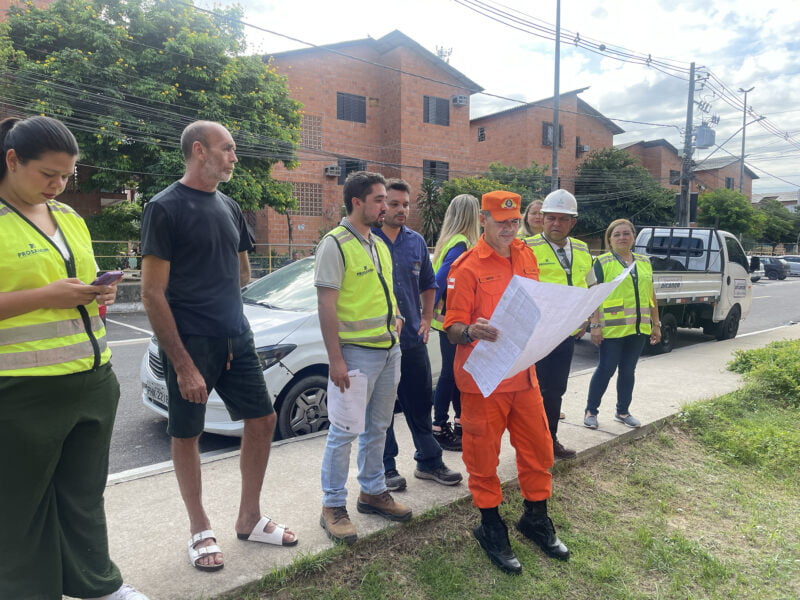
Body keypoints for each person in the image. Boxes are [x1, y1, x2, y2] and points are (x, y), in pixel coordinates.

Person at [0, 116, 148, 599]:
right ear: (12, 160)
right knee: (20, 506)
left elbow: (77, 290)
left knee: (83, 495)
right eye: (48, 174)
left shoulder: (69, 218)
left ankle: (96, 585)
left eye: (66, 176)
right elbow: (46, 296)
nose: (58, 185)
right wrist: (44, 295)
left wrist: (96, 293)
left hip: (92, 379)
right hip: (21, 389)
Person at [140, 121, 296, 573]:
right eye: (227, 149)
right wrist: (184, 364)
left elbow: (240, 272)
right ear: (199, 150)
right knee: (186, 432)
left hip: (236, 335)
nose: (234, 157)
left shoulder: (229, 206)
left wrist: (234, 321)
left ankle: (249, 517)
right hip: (191, 340)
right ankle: (199, 527)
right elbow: (152, 294)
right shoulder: (164, 208)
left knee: (263, 419)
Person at [444, 190, 569, 575]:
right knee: (483, 459)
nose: (509, 229)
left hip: (524, 374)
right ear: (484, 220)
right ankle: (491, 525)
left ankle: (535, 517)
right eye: (501, 223)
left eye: (514, 222)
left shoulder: (527, 255)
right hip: (483, 381)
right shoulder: (466, 267)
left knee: (539, 449)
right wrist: (471, 331)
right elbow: (451, 328)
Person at [315, 170, 412, 545]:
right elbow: (326, 305)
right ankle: (333, 505)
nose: (385, 207)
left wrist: (399, 316)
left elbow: (385, 290)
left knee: (379, 428)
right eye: (378, 200)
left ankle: (372, 491)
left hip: (389, 351)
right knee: (343, 432)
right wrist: (335, 359)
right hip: (355, 355)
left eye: (385, 200)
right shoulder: (334, 244)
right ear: (357, 202)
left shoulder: (377, 243)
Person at [374, 179, 462, 492]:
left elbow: (429, 283)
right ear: (382, 205)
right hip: (378, 343)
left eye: (405, 204)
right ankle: (385, 468)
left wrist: (426, 318)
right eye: (394, 204)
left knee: (420, 403)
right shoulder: (366, 239)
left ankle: (429, 461)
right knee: (381, 410)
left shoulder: (415, 242)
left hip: (412, 340)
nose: (401, 210)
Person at [523, 189, 593, 460]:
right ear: (542, 218)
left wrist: (589, 318)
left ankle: (550, 440)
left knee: (556, 389)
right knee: (534, 391)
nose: (555, 224)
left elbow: (590, 285)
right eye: (550, 218)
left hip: (565, 333)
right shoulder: (527, 248)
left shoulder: (583, 249)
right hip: (538, 333)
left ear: (572, 222)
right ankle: (531, 444)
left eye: (562, 219)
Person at [584, 218, 661, 430]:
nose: (622, 237)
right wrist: (595, 325)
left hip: (638, 328)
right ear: (609, 239)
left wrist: (656, 323)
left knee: (628, 371)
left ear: (633, 237)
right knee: (606, 369)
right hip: (612, 329)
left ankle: (623, 411)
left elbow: (651, 294)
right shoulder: (601, 262)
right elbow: (593, 294)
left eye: (626, 233)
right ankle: (591, 410)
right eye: (616, 234)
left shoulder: (644, 262)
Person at [430, 193, 481, 452]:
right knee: (452, 376)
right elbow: (439, 281)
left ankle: (457, 424)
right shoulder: (461, 244)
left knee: (454, 375)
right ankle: (440, 427)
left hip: (446, 322)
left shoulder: (449, 241)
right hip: (453, 323)